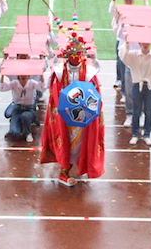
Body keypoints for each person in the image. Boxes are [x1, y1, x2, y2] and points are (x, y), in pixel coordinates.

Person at [40, 33, 105, 187]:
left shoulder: (89, 73)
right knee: (65, 141)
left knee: (80, 143)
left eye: (79, 53)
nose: (76, 57)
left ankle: (76, 167)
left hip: (83, 114)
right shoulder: (59, 72)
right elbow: (55, 93)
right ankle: (64, 171)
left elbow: (94, 94)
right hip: (65, 114)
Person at [0, 73, 48, 142]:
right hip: (17, 109)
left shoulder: (31, 83)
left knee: (25, 116)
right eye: (21, 75)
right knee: (14, 132)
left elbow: (42, 88)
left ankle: (28, 132)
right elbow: (2, 88)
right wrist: (2, 76)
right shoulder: (14, 83)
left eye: (25, 75)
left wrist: (41, 75)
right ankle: (18, 124)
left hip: (29, 108)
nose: (23, 76)